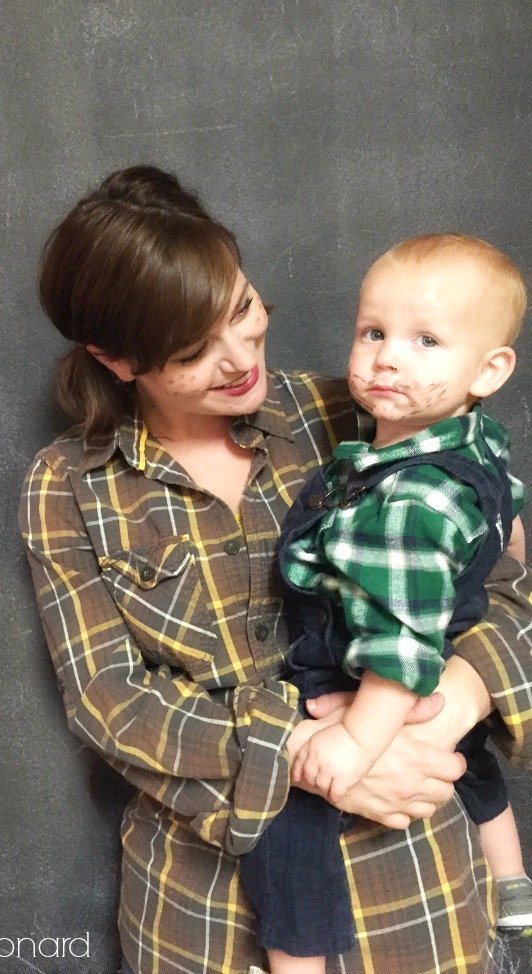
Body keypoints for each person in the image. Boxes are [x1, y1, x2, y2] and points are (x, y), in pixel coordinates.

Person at [19, 166, 532, 974]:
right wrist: (307, 757)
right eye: (193, 350)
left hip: (422, 896)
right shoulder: (69, 486)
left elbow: (504, 584)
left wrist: (456, 699)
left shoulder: (364, 413)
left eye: (243, 310)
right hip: (208, 918)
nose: (238, 360)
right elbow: (108, 701)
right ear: (115, 359)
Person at [239, 234, 531, 974]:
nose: (387, 357)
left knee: (288, 827)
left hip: (360, 664)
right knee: (465, 755)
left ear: (490, 369)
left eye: (426, 340)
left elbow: (399, 647)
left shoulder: (406, 500)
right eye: (373, 333)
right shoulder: (476, 445)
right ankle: (512, 880)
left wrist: (355, 741)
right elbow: (512, 541)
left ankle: (296, 961)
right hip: (448, 639)